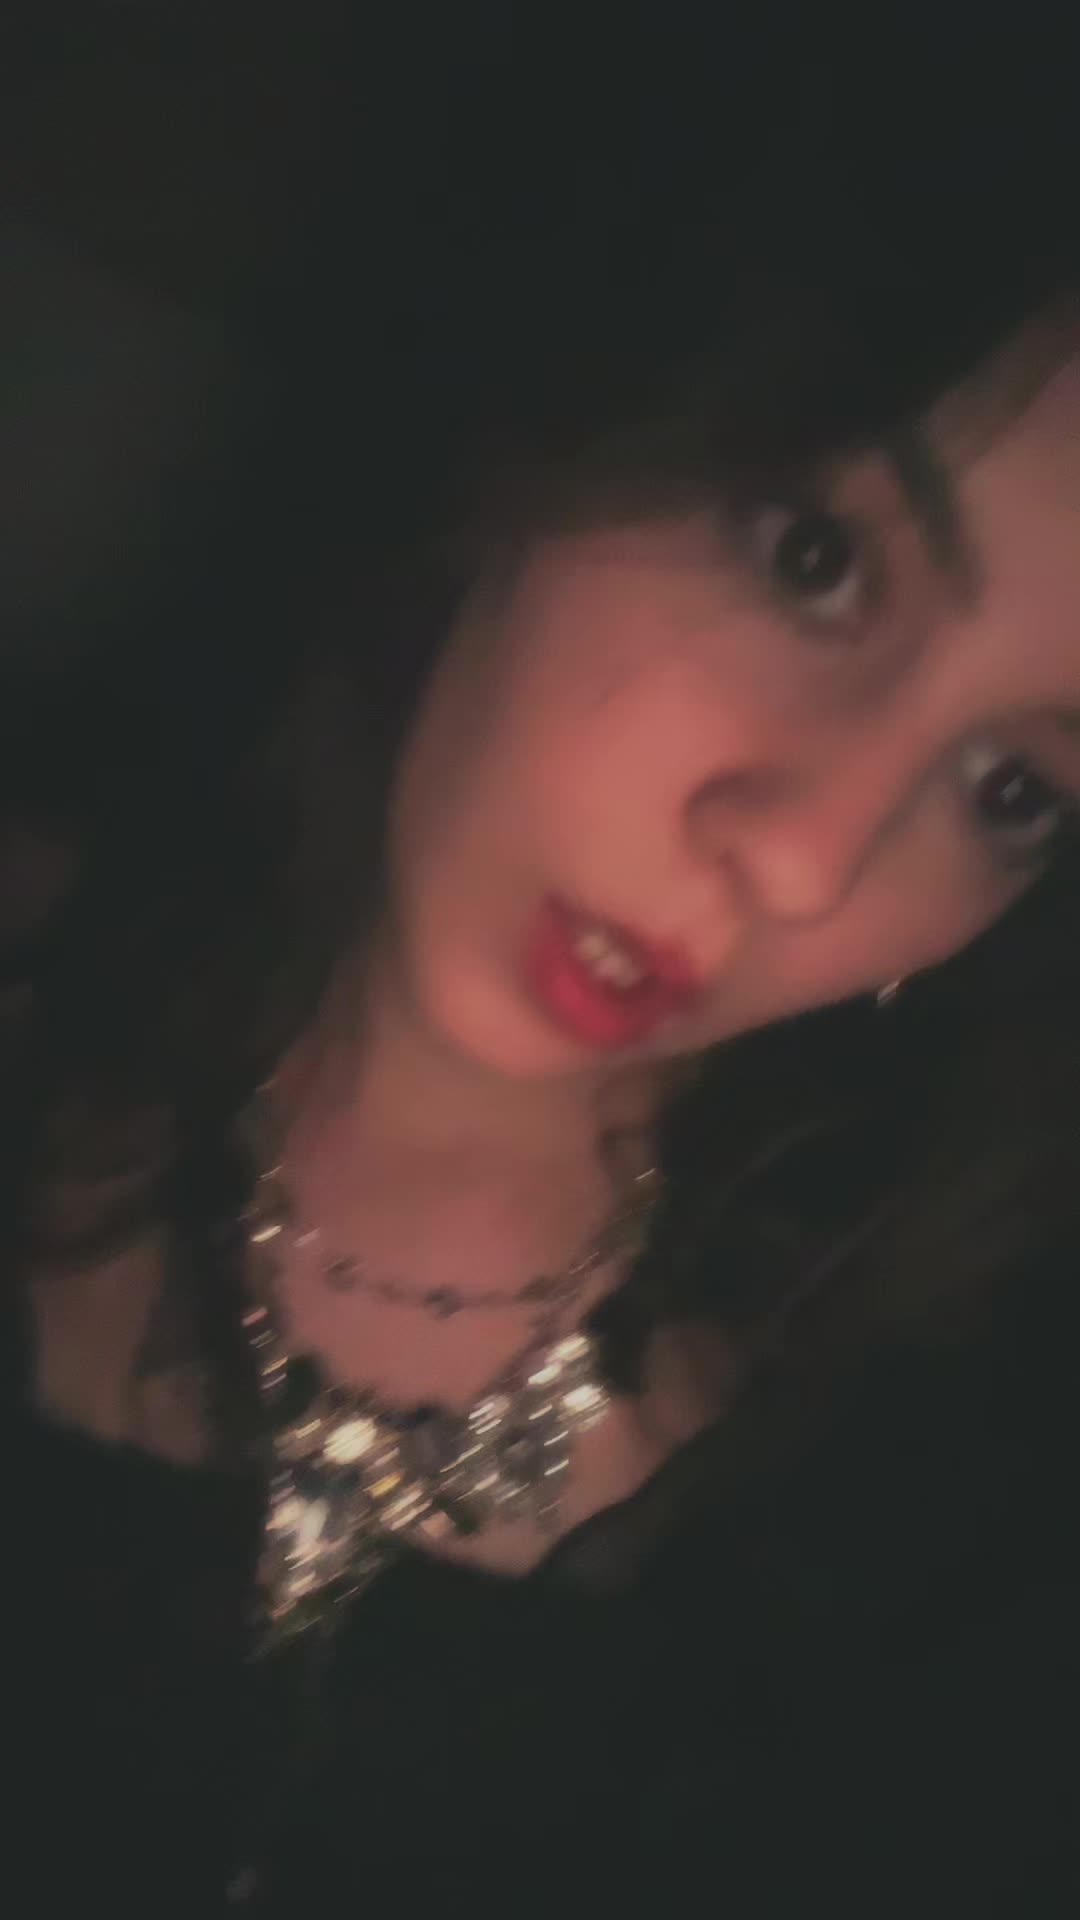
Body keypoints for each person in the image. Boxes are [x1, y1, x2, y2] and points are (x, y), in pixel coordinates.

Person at [5, 18, 1080, 1916]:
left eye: (1012, 791)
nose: (809, 858)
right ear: (578, 416)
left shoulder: (949, 1486)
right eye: (816, 558)